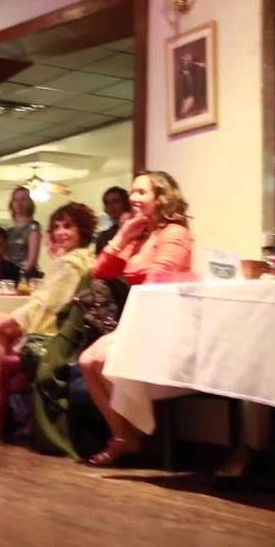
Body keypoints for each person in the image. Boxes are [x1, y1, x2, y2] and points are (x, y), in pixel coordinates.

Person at [0, 203, 98, 446]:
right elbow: (48, 302)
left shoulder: (71, 263)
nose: (60, 232)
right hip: (64, 328)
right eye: (56, 227)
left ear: (83, 231)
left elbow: (45, 304)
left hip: (58, 337)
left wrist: (8, 320)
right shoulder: (83, 259)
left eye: (68, 226)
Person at [78, 171, 195, 467]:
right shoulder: (141, 234)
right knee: (87, 361)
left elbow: (157, 281)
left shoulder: (175, 233)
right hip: (141, 318)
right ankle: (123, 436)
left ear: (162, 198)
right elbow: (101, 272)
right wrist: (123, 235)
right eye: (133, 192)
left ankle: (132, 437)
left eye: (142, 192)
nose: (133, 198)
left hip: (166, 322)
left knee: (100, 359)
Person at [6, 186, 41, 278]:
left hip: (26, 276)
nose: (19, 203)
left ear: (29, 203)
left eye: (23, 199)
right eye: (15, 200)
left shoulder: (33, 227)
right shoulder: (10, 231)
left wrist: (21, 276)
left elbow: (32, 259)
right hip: (9, 274)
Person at [94, 186, 130, 253]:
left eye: (116, 201)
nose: (111, 206)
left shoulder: (136, 229)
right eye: (107, 203)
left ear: (126, 203)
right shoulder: (104, 236)